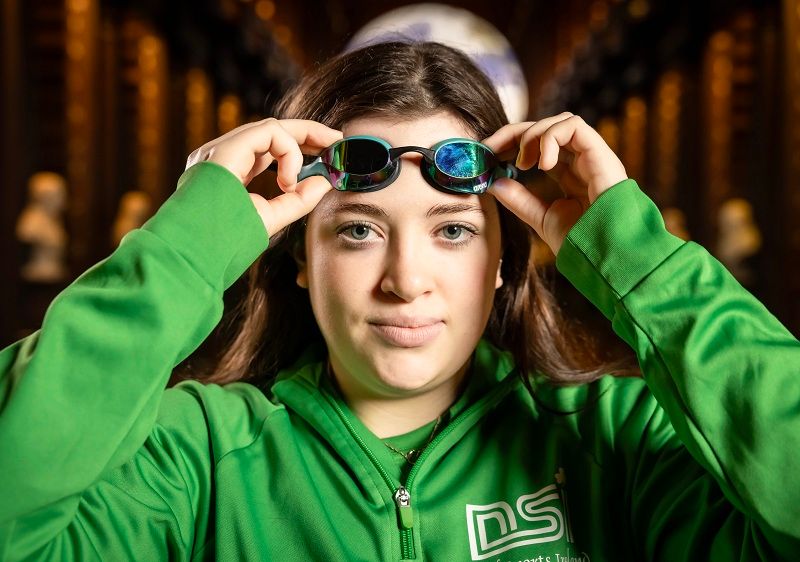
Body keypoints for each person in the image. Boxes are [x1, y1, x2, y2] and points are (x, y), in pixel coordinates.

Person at [0, 41, 798, 562]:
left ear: (500, 262)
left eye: (452, 231)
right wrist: (186, 246)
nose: (405, 279)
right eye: (356, 232)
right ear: (301, 261)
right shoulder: (197, 460)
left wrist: (642, 259)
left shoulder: (614, 447)